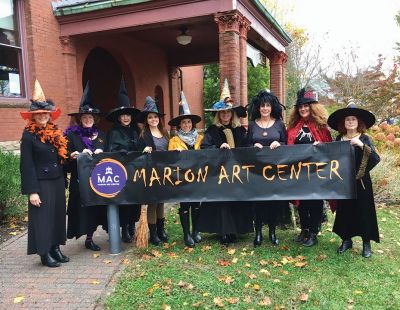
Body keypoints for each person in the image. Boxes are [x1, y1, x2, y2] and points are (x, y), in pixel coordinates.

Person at [20, 80, 69, 267]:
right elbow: (26, 164)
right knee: (42, 218)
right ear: (33, 117)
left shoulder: (55, 132)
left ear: (49, 114)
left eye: (45, 113)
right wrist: (32, 191)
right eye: (38, 114)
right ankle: (44, 252)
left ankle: (56, 248)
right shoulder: (28, 135)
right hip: (40, 183)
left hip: (56, 180)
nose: (42, 116)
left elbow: (59, 156)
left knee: (57, 215)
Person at [198, 79, 253, 244]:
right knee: (222, 201)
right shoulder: (212, 130)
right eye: (222, 113)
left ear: (232, 114)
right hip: (219, 173)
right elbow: (204, 147)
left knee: (236, 199)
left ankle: (235, 230)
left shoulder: (240, 130)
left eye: (228, 112)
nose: (225, 115)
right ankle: (224, 231)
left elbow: (247, 146)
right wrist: (217, 146)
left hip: (237, 172)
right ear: (218, 115)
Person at [328, 103, 380, 258]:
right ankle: (346, 240)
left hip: (362, 183)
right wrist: (319, 147)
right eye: (347, 120)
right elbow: (330, 156)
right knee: (345, 212)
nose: (350, 122)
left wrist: (362, 146)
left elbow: (376, 158)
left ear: (359, 122)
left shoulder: (364, 138)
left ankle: (366, 243)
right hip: (344, 183)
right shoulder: (339, 138)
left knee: (364, 211)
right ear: (343, 123)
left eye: (353, 119)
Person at [287, 86, 332, 247]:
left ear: (312, 107)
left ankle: (313, 232)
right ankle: (304, 229)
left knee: (315, 202)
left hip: (316, 172)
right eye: (300, 107)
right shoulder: (294, 127)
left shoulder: (320, 126)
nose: (303, 109)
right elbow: (288, 147)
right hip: (299, 172)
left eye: (306, 106)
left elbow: (329, 147)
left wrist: (322, 146)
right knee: (302, 202)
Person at [64, 81, 107, 251]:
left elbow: (110, 155)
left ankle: (91, 237)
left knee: (96, 208)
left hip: (99, 180)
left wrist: (101, 153)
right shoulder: (72, 136)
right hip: (79, 181)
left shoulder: (102, 135)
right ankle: (86, 237)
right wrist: (73, 156)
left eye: (90, 118)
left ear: (94, 119)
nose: (88, 120)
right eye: (84, 118)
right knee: (83, 209)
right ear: (80, 120)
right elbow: (65, 157)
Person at [247, 90, 288, 247]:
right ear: (258, 107)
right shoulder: (252, 125)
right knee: (258, 202)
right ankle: (258, 233)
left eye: (268, 106)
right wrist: (253, 146)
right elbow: (245, 145)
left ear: (272, 107)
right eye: (262, 106)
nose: (265, 108)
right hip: (256, 170)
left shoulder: (279, 124)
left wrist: (279, 144)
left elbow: (286, 144)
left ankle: (272, 232)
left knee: (273, 202)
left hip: (274, 170)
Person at [105, 78, 141, 243]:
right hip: (121, 171)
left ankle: (133, 226)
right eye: (123, 115)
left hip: (136, 171)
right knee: (124, 201)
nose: (126, 118)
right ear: (118, 118)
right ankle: (125, 228)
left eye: (128, 115)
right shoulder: (113, 132)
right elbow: (111, 150)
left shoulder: (136, 130)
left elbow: (141, 147)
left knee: (135, 200)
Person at [168, 91, 203, 247]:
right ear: (179, 125)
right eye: (183, 123)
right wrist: (176, 155)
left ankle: (195, 231)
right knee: (185, 206)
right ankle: (186, 234)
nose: (186, 125)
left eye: (188, 122)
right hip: (182, 179)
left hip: (197, 177)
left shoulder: (200, 139)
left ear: (192, 124)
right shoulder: (174, 140)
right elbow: (170, 160)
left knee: (196, 204)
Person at [137, 96, 169, 246]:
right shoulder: (143, 135)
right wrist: (143, 150)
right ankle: (153, 234)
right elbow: (137, 152)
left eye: (155, 116)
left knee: (162, 202)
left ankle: (161, 231)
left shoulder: (165, 132)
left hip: (165, 172)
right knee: (153, 203)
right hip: (151, 173)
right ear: (146, 119)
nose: (153, 119)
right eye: (150, 117)